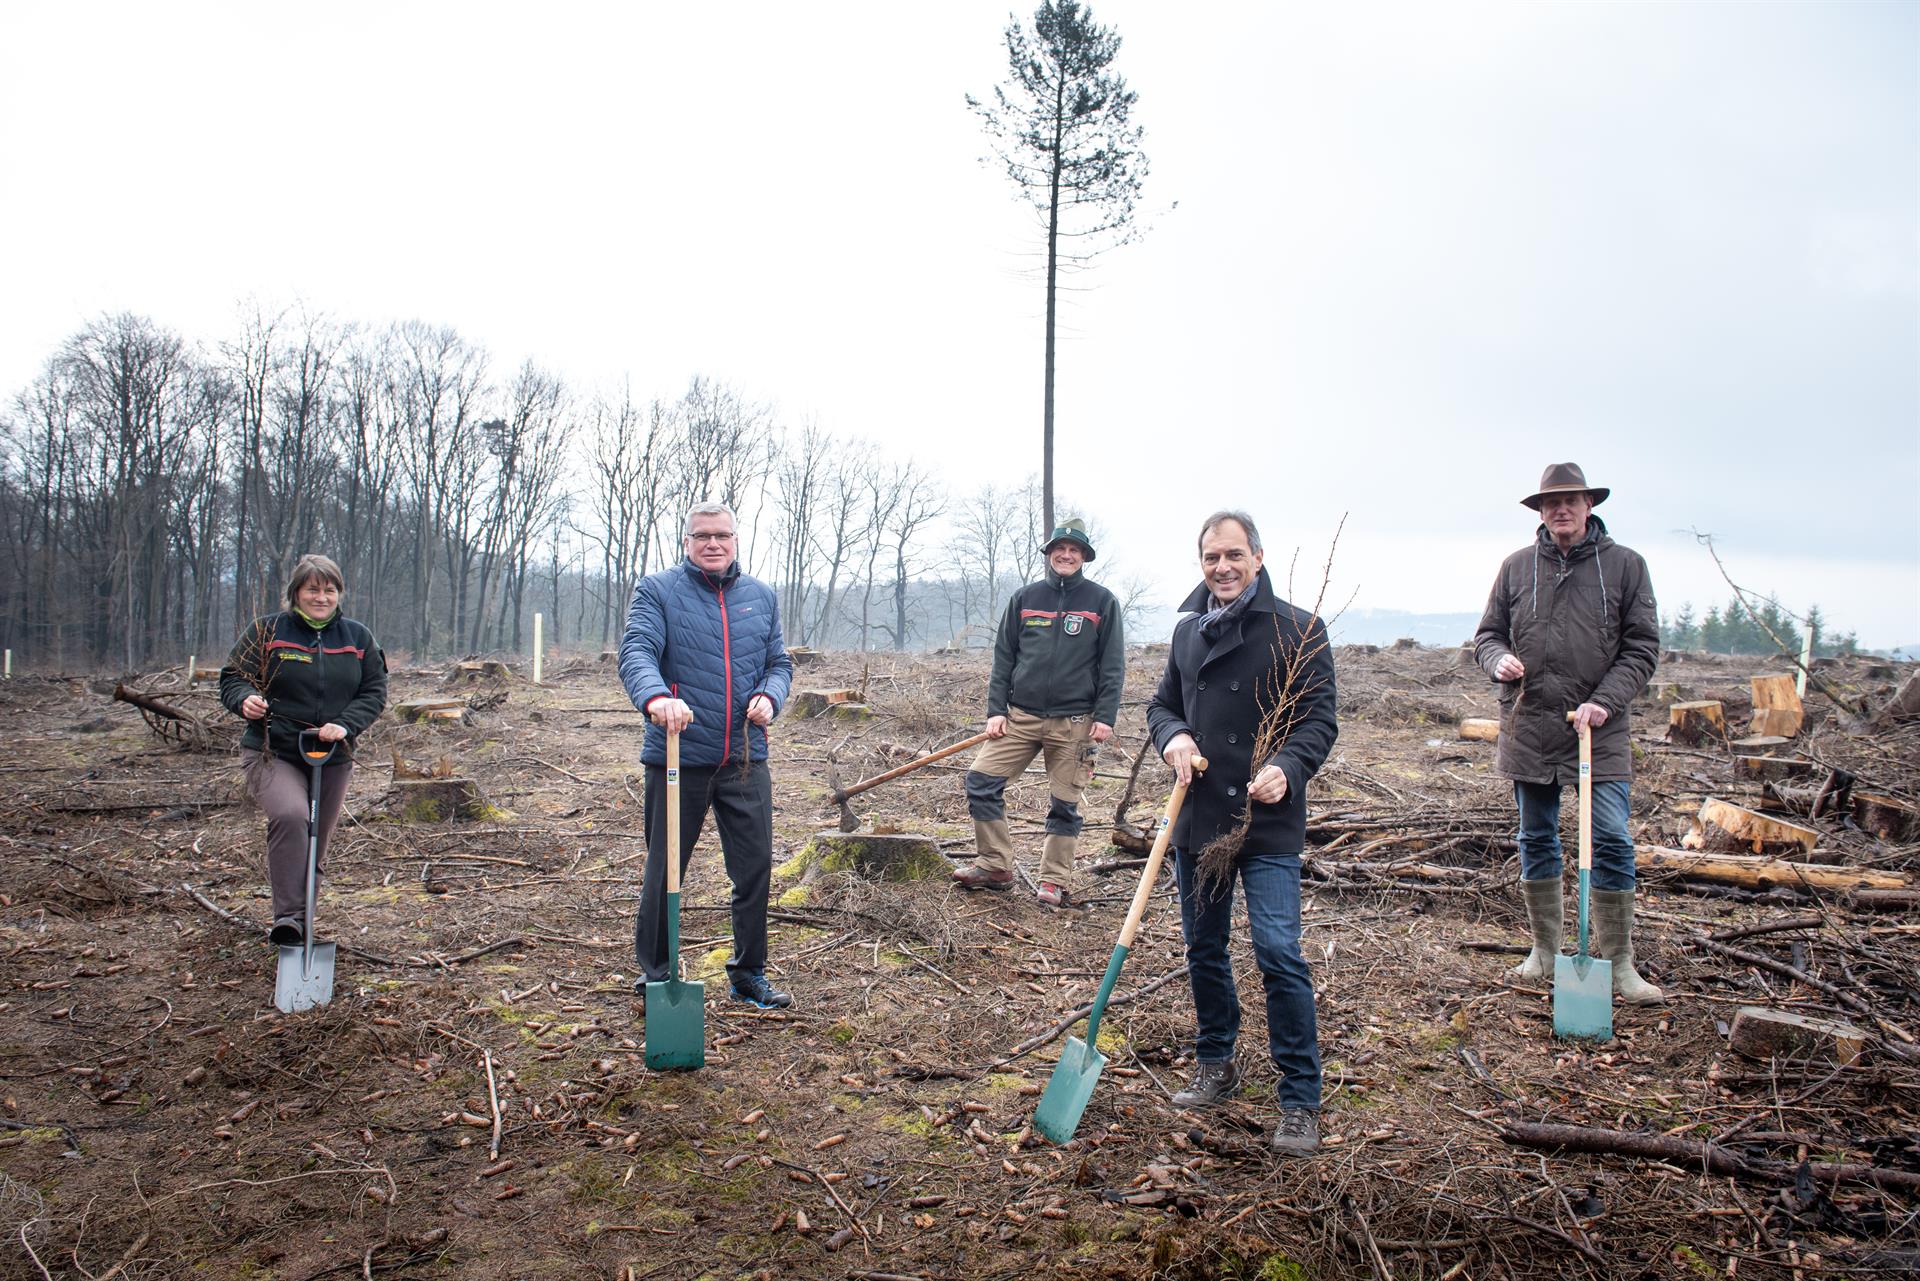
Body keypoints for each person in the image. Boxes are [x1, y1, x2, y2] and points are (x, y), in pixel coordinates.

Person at [1146, 511, 1337, 1157]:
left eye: (1233, 555)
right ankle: (1216, 1061)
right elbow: (1162, 704)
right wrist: (1173, 737)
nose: (1222, 568)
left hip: (1266, 823)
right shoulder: (1185, 632)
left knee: (1279, 953)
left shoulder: (1299, 628)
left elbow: (1318, 721)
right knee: (1204, 947)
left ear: (1257, 556)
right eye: (1210, 558)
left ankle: (1300, 1099)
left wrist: (1287, 767)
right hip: (1199, 819)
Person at [1474, 463, 1664, 1005]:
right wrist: (1499, 659)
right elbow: (1488, 634)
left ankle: (1621, 964)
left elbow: (1642, 647)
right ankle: (1545, 951)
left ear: (1588, 506)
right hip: (1529, 724)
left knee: (1610, 836)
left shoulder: (1625, 567)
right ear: (1540, 511)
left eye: (1570, 500)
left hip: (1598, 731)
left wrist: (1603, 702)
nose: (1560, 510)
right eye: (1549, 503)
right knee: (1536, 836)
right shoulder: (1516, 568)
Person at [620, 501, 795, 1010]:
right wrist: (656, 699)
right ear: (687, 543)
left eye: (722, 535)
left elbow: (777, 662)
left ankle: (748, 974)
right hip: (677, 757)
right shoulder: (658, 591)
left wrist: (771, 694)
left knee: (756, 866)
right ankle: (656, 976)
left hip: (744, 756)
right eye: (702, 536)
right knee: (665, 868)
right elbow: (636, 652)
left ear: (736, 540)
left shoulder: (761, 596)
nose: (713, 544)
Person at [951, 518, 1126, 907]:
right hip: (1021, 717)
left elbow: (1112, 664)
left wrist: (1105, 716)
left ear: (1083, 557)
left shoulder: (1102, 602)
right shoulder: (1025, 598)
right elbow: (1004, 659)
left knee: (1065, 803)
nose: (1066, 555)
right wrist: (996, 710)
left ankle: (1053, 881)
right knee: (981, 781)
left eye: (1074, 551)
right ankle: (995, 865)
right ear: (1048, 554)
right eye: (1059, 549)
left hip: (1076, 722)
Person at [219, 554, 388, 945]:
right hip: (272, 749)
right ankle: (289, 919)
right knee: (292, 816)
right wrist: (244, 699)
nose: (321, 597)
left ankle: (302, 921)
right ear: (295, 592)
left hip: (332, 754)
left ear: (338, 593)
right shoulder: (267, 631)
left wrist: (344, 724)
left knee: (317, 837)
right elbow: (234, 677)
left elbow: (375, 691)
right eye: (313, 588)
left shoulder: (357, 638)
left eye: (329, 589)